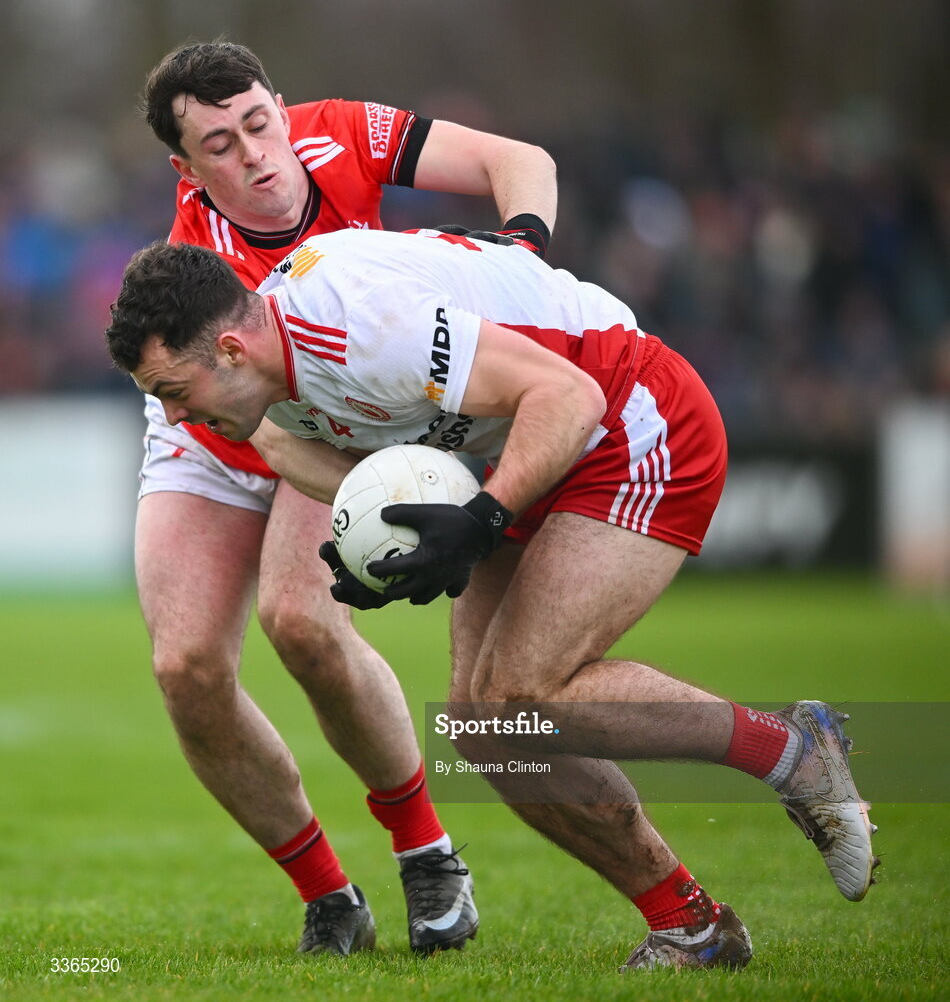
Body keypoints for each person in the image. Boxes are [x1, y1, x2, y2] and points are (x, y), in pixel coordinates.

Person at [105, 227, 878, 973]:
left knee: (522, 692)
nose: (173, 418)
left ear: (232, 350)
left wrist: (479, 521)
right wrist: (374, 543)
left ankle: (792, 751)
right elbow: (294, 450)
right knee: (486, 728)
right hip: (527, 448)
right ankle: (692, 926)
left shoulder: (363, 324)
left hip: (627, 414)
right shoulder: (263, 389)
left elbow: (567, 394)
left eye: (173, 391)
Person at [133, 40, 558, 956]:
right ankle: (329, 895)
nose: (255, 155)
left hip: (322, 404)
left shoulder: (340, 134)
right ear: (186, 168)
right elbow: (243, 422)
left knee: (302, 619)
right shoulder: (194, 270)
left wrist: (521, 248)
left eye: (259, 123)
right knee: (185, 670)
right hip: (224, 417)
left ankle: (427, 857)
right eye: (220, 145)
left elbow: (518, 162)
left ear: (280, 107)